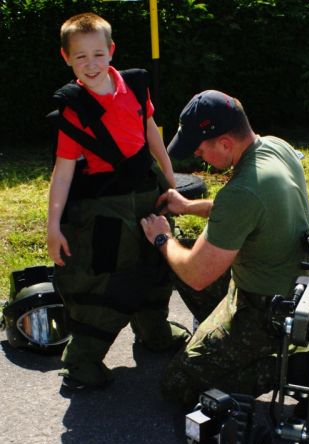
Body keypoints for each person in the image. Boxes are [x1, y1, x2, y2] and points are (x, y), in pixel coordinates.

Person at [141, 90, 309, 414]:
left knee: (177, 385)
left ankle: (284, 368)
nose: (199, 157)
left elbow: (197, 274)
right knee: (185, 253)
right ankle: (235, 345)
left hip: (264, 311)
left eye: (201, 149)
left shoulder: (243, 192)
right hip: (287, 288)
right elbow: (247, 210)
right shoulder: (275, 147)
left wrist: (162, 239)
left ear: (225, 143)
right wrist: (189, 206)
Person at [47, 12, 190, 391]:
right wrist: (52, 227)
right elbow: (63, 173)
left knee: (157, 266)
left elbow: (152, 135)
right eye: (81, 57)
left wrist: (170, 183)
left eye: (98, 54)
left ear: (111, 51)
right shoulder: (74, 108)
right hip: (105, 210)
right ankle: (82, 362)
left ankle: (154, 331)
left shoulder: (136, 87)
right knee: (108, 284)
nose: (91, 64)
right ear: (66, 58)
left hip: (148, 194)